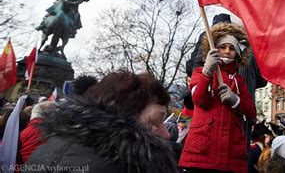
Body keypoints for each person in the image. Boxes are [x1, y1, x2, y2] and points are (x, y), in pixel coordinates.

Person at [24, 71, 177, 173]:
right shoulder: (121, 167)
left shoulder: (43, 150)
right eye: (156, 121)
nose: (166, 134)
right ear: (125, 116)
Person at [179, 22, 257, 172]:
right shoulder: (199, 72)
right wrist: (206, 73)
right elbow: (199, 99)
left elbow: (251, 112)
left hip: (231, 156)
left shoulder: (239, 80)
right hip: (202, 154)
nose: (227, 51)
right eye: (222, 47)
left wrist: (237, 100)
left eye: (232, 48)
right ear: (214, 49)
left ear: (238, 53)